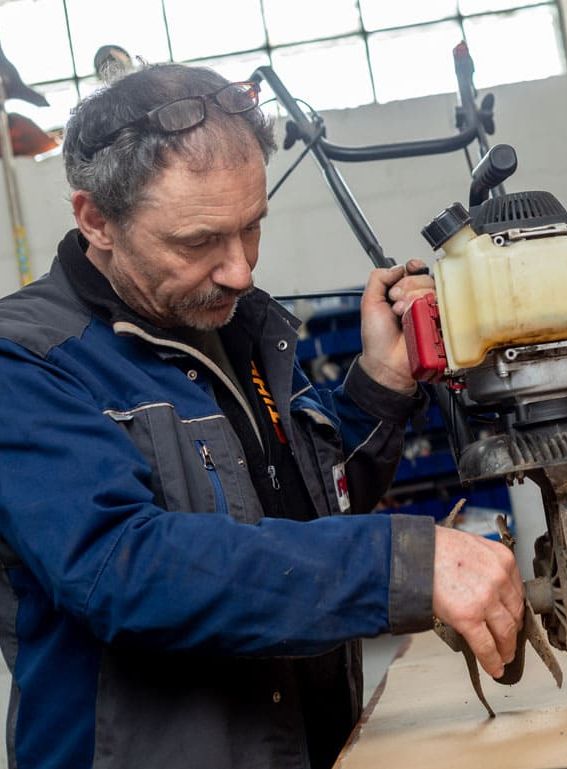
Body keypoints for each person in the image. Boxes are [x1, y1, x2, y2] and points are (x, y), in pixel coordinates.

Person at [0, 63, 523, 769]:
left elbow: (296, 520)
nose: (240, 270)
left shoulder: (237, 326)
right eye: (198, 241)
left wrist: (378, 387)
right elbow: (122, 567)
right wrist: (398, 562)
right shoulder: (26, 360)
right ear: (96, 218)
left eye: (251, 227)